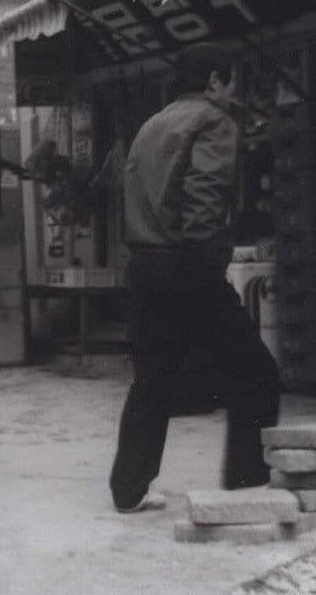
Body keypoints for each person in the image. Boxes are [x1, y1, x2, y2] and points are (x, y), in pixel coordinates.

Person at [109, 42, 279, 513]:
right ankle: (249, 486)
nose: (232, 93)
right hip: (188, 264)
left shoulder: (152, 124)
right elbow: (205, 197)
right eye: (230, 83)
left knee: (154, 377)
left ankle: (128, 489)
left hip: (144, 264)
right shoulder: (213, 121)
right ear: (212, 83)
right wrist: (208, 269)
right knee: (257, 373)